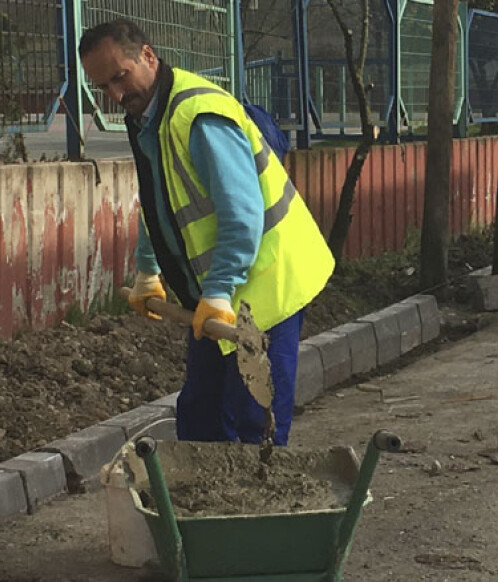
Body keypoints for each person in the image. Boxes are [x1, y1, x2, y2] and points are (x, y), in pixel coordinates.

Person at [78, 19, 334, 445]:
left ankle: (256, 508)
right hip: (220, 292)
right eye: (104, 88)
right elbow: (162, 201)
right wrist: (148, 270)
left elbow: (242, 215)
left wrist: (218, 291)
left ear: (147, 55)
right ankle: (207, 506)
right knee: (200, 414)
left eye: (119, 77)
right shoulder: (150, 114)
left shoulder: (199, 117)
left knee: (255, 421)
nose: (116, 96)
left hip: (268, 286)